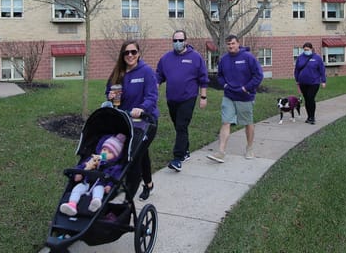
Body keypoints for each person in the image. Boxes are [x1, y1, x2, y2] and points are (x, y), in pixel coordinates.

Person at [105, 40, 159, 201]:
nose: (130, 55)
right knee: (140, 153)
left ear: (139, 53)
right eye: (126, 53)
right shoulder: (118, 72)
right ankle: (148, 184)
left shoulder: (146, 71)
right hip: (125, 120)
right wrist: (110, 96)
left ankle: (128, 195)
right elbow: (108, 90)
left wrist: (142, 108)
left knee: (134, 157)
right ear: (122, 55)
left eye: (133, 52)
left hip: (146, 121)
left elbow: (152, 97)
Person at [156, 30, 209, 172]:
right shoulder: (166, 58)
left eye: (180, 40)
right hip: (172, 98)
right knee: (179, 126)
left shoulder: (195, 57)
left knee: (181, 125)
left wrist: (203, 97)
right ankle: (185, 151)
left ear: (186, 41)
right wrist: (154, 90)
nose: (177, 43)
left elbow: (203, 79)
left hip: (188, 97)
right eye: (175, 41)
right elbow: (159, 76)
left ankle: (177, 158)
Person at [207, 34, 263, 163]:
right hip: (229, 96)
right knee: (226, 121)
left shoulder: (248, 57)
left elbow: (258, 75)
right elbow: (220, 76)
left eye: (233, 43)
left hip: (245, 96)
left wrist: (246, 88)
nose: (231, 46)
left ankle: (249, 148)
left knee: (247, 123)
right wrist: (225, 85)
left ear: (238, 44)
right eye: (228, 44)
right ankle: (221, 152)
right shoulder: (224, 59)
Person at [60, 133, 126, 216]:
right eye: (104, 150)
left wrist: (109, 185)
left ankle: (95, 202)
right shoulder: (92, 159)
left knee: (99, 190)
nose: (105, 153)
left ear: (116, 156)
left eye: (110, 152)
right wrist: (79, 174)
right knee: (77, 189)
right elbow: (81, 167)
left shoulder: (115, 167)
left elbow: (115, 177)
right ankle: (72, 205)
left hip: (100, 184)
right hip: (86, 183)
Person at [294, 42, 326, 125]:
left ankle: (312, 117)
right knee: (307, 99)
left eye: (307, 50)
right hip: (303, 82)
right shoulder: (300, 58)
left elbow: (322, 70)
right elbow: (297, 69)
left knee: (310, 98)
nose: (306, 51)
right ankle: (309, 117)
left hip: (314, 82)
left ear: (311, 49)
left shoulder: (317, 58)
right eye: (304, 50)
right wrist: (297, 79)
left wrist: (323, 81)